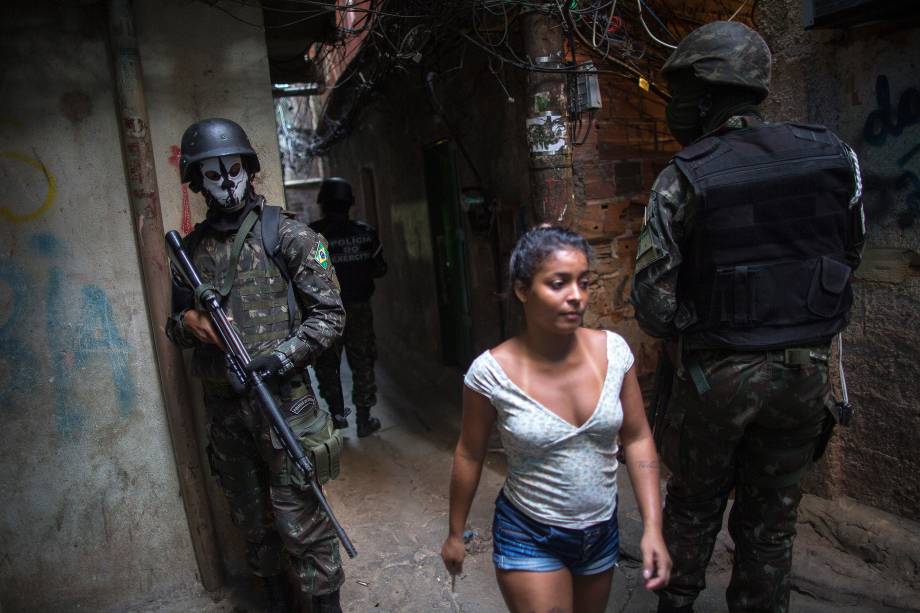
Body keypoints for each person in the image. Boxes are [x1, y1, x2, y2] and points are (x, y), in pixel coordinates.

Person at [629, 22, 866, 613]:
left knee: (693, 508)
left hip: (717, 380)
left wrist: (701, 319)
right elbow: (848, 256)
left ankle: (677, 603)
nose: (676, 107)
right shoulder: (836, 155)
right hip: (806, 375)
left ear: (706, 96)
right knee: (771, 524)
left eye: (681, 92)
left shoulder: (683, 177)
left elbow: (654, 308)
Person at [165, 118, 348, 613]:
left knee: (304, 520)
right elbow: (173, 325)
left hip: (285, 403)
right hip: (226, 411)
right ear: (196, 182)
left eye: (234, 169)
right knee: (251, 520)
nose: (226, 182)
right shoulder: (191, 252)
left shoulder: (290, 236)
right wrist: (190, 324)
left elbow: (330, 317)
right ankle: (273, 600)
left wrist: (278, 358)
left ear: (249, 170)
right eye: (212, 173)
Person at [441, 226, 671, 612]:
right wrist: (455, 532)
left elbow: (637, 438)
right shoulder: (490, 373)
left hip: (600, 531)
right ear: (522, 290)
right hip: (528, 532)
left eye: (584, 282)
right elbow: (469, 452)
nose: (576, 297)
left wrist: (653, 527)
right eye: (558, 283)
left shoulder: (615, 353)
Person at [309, 177, 387, 438]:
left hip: (326, 311)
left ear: (322, 204)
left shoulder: (314, 236)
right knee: (362, 360)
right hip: (358, 308)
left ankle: (338, 416)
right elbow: (380, 268)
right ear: (350, 203)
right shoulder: (365, 233)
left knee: (327, 364)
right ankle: (364, 420)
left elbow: (306, 276)